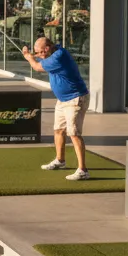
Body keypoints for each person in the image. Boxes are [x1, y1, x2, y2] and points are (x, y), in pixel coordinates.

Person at [23, 36, 92, 181]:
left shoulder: (59, 56)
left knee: (74, 133)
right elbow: (40, 58)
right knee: (59, 130)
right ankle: (60, 160)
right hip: (63, 100)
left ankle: (83, 170)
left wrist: (29, 57)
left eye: (40, 52)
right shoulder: (53, 52)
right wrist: (32, 54)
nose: (38, 55)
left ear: (47, 49)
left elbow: (37, 67)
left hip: (75, 98)